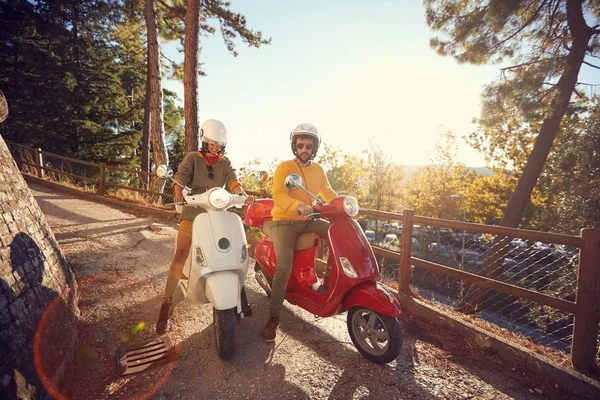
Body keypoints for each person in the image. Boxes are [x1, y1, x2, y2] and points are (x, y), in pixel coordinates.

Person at [156, 119, 254, 334]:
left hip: (218, 213)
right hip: (193, 213)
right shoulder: (192, 158)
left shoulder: (225, 162)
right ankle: (166, 303)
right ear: (204, 141)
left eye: (218, 144)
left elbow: (232, 180)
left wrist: (241, 193)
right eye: (211, 143)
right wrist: (177, 192)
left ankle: (239, 294)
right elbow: (181, 177)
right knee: (180, 253)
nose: (215, 147)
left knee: (234, 250)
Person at [262, 123, 338, 342]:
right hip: (285, 221)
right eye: (301, 144)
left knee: (335, 233)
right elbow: (278, 195)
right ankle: (273, 318)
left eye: (309, 145)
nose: (304, 148)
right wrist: (298, 206)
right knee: (284, 267)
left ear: (315, 147)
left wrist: (343, 204)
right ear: (294, 146)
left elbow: (328, 192)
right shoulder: (284, 168)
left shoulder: (318, 170)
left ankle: (328, 280)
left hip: (308, 219)